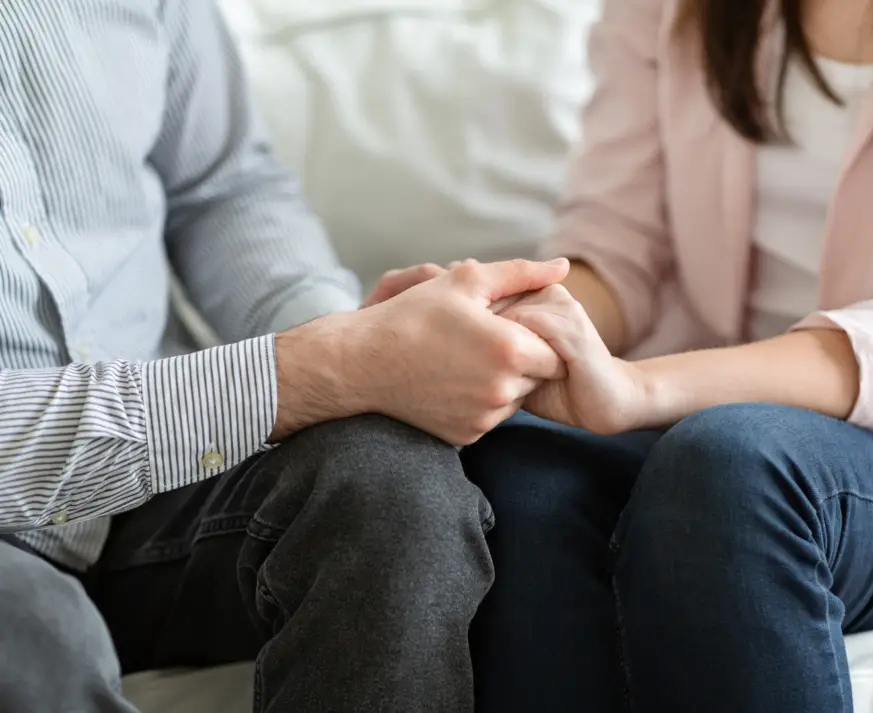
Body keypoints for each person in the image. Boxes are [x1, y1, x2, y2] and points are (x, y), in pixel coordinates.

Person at [374, 0, 873, 710]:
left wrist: (639, 388)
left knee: (733, 467)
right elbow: (621, 247)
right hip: (698, 417)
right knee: (518, 472)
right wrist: (495, 318)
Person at [0, 2, 573, 712]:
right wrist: (325, 364)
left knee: (388, 476)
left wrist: (361, 342)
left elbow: (221, 188)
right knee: (29, 633)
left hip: (156, 485)